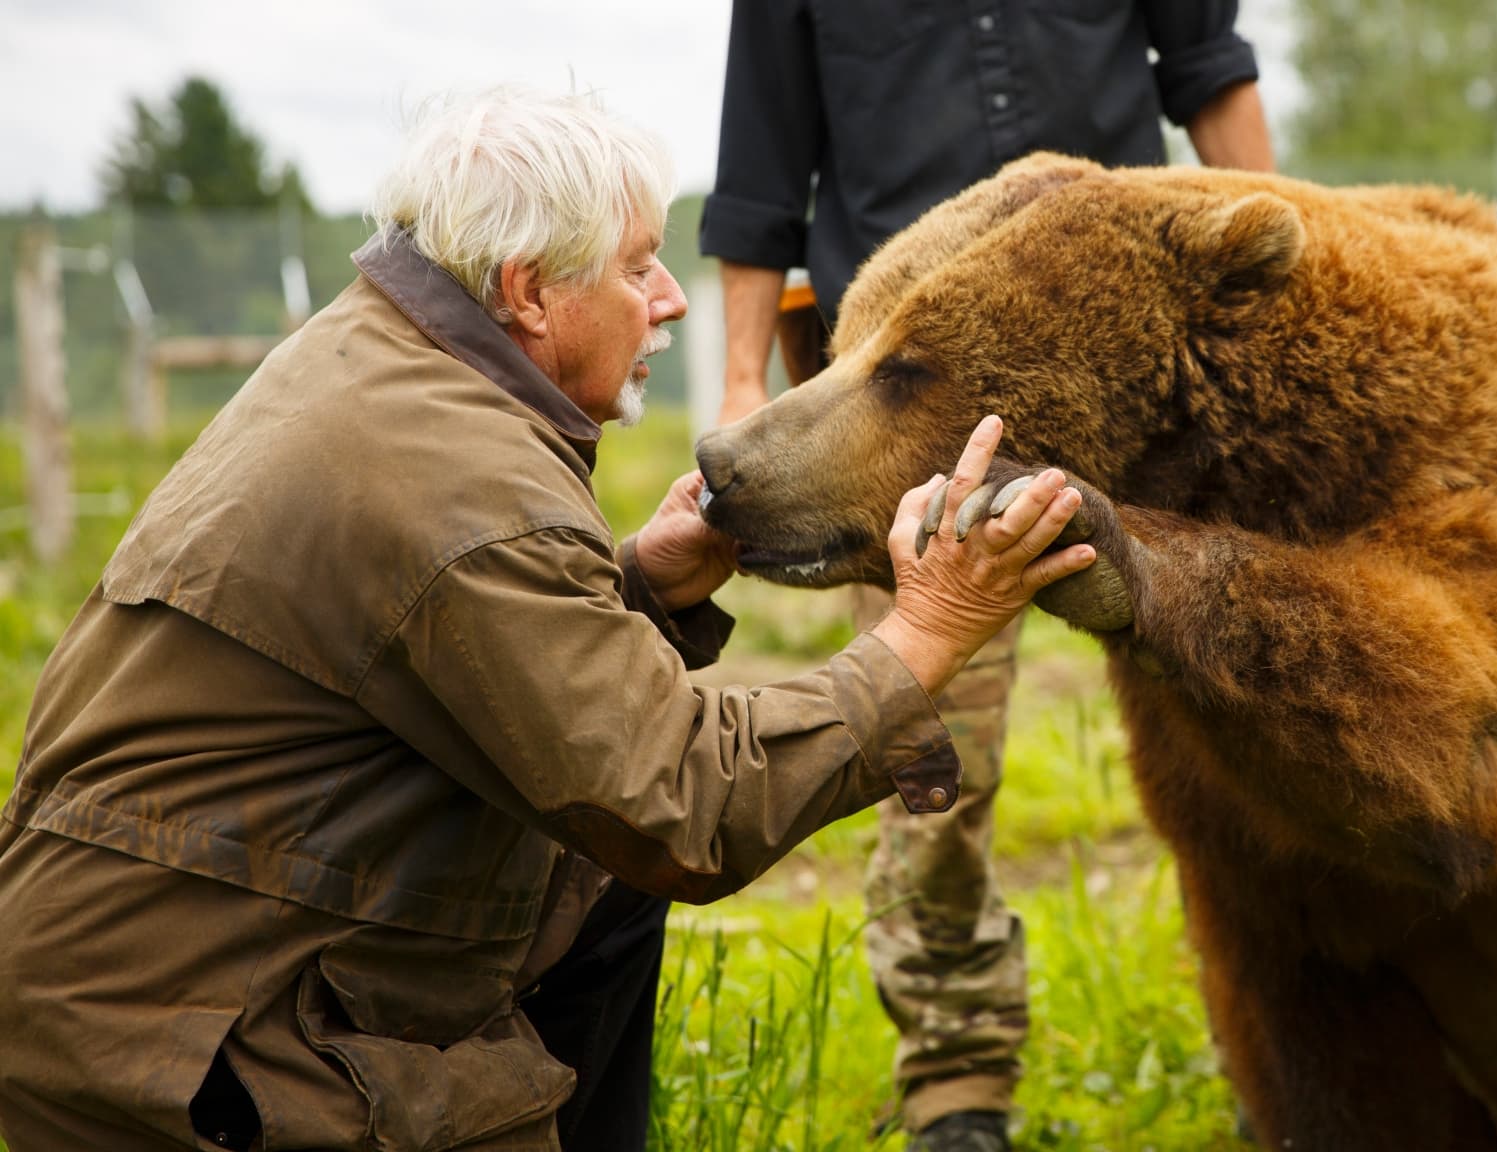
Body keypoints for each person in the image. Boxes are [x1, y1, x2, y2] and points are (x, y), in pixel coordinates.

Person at [0, 87, 1096, 1152]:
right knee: (620, 857)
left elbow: (431, 651)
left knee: (597, 887)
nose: (671, 297)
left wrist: (641, 588)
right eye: (636, 267)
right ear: (527, 291)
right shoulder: (467, 488)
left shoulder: (378, 357)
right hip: (188, 1055)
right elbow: (681, 805)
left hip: (155, 970)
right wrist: (930, 631)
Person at [700, 5, 1275, 1147]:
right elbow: (761, 176)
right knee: (928, 755)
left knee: (1239, 739)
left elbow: (1209, 74)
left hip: (1134, 383)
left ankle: (1273, 1034)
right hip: (901, 411)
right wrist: (734, 382)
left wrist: (1291, 259)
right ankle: (954, 1081)